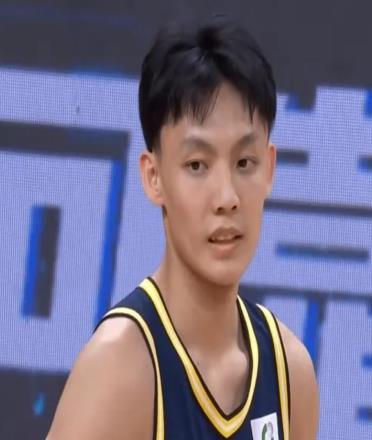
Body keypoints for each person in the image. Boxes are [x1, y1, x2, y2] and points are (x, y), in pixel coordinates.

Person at [47, 17, 319, 440]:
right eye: (197, 165)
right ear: (153, 177)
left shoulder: (290, 373)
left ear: (269, 169)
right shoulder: (120, 367)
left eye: (244, 163)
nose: (226, 197)